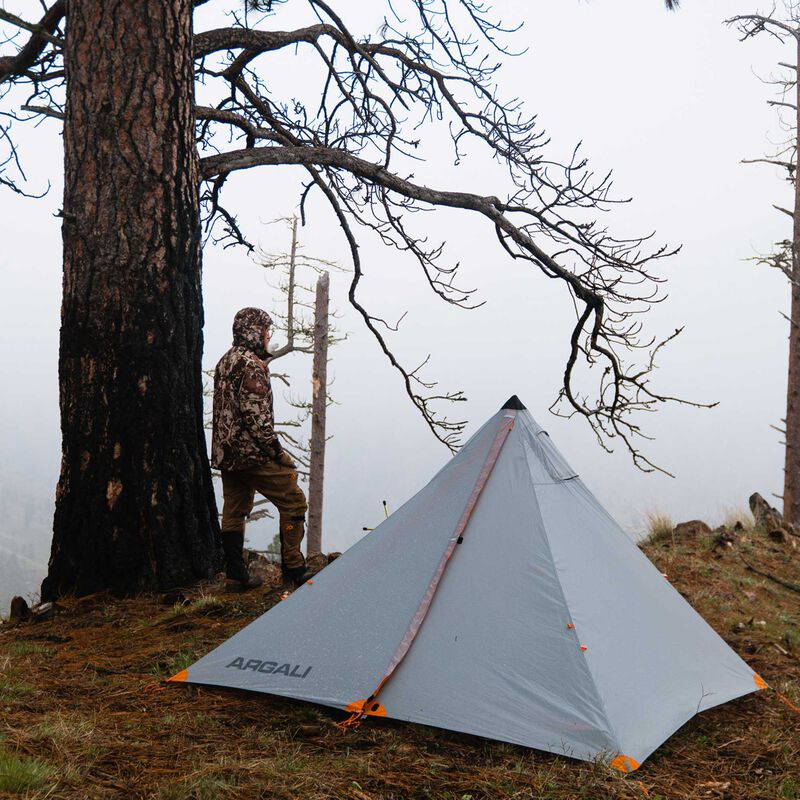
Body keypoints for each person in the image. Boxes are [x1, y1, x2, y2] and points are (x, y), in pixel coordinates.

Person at [211, 307, 308, 590]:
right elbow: (258, 421)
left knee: (234, 510)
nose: (268, 335)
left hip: (227, 455)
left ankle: (235, 576)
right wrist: (278, 453)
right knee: (294, 501)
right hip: (251, 455)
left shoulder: (225, 361)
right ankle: (294, 569)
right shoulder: (251, 366)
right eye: (266, 330)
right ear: (254, 332)